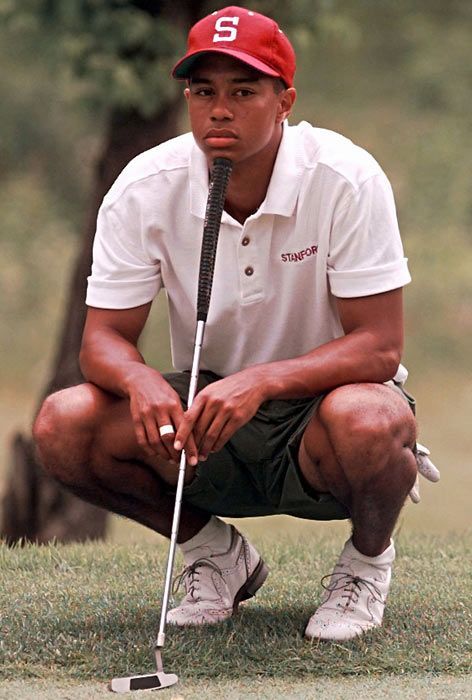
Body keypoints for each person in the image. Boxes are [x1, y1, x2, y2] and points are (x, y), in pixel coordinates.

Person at [33, 6, 439, 641]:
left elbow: (380, 347)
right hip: (206, 418)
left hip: (323, 418)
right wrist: (142, 383)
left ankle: (365, 564)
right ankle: (213, 555)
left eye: (243, 91)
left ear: (285, 101)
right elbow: (103, 340)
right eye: (203, 92)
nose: (219, 110)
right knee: (63, 424)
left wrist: (262, 382)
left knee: (374, 418)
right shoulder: (145, 185)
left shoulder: (345, 177)